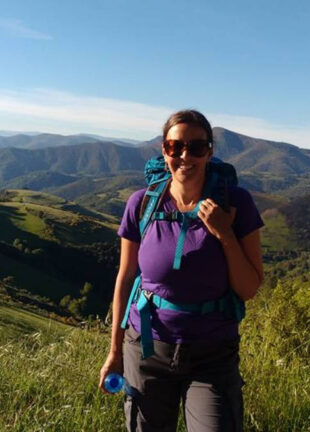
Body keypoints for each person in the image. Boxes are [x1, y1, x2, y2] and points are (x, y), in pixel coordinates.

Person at [98, 109, 264, 431]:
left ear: (210, 151)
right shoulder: (142, 204)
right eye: (175, 147)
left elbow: (248, 289)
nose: (185, 155)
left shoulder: (236, 204)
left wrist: (224, 233)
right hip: (147, 347)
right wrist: (114, 351)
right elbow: (125, 278)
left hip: (212, 355)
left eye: (196, 147)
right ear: (164, 150)